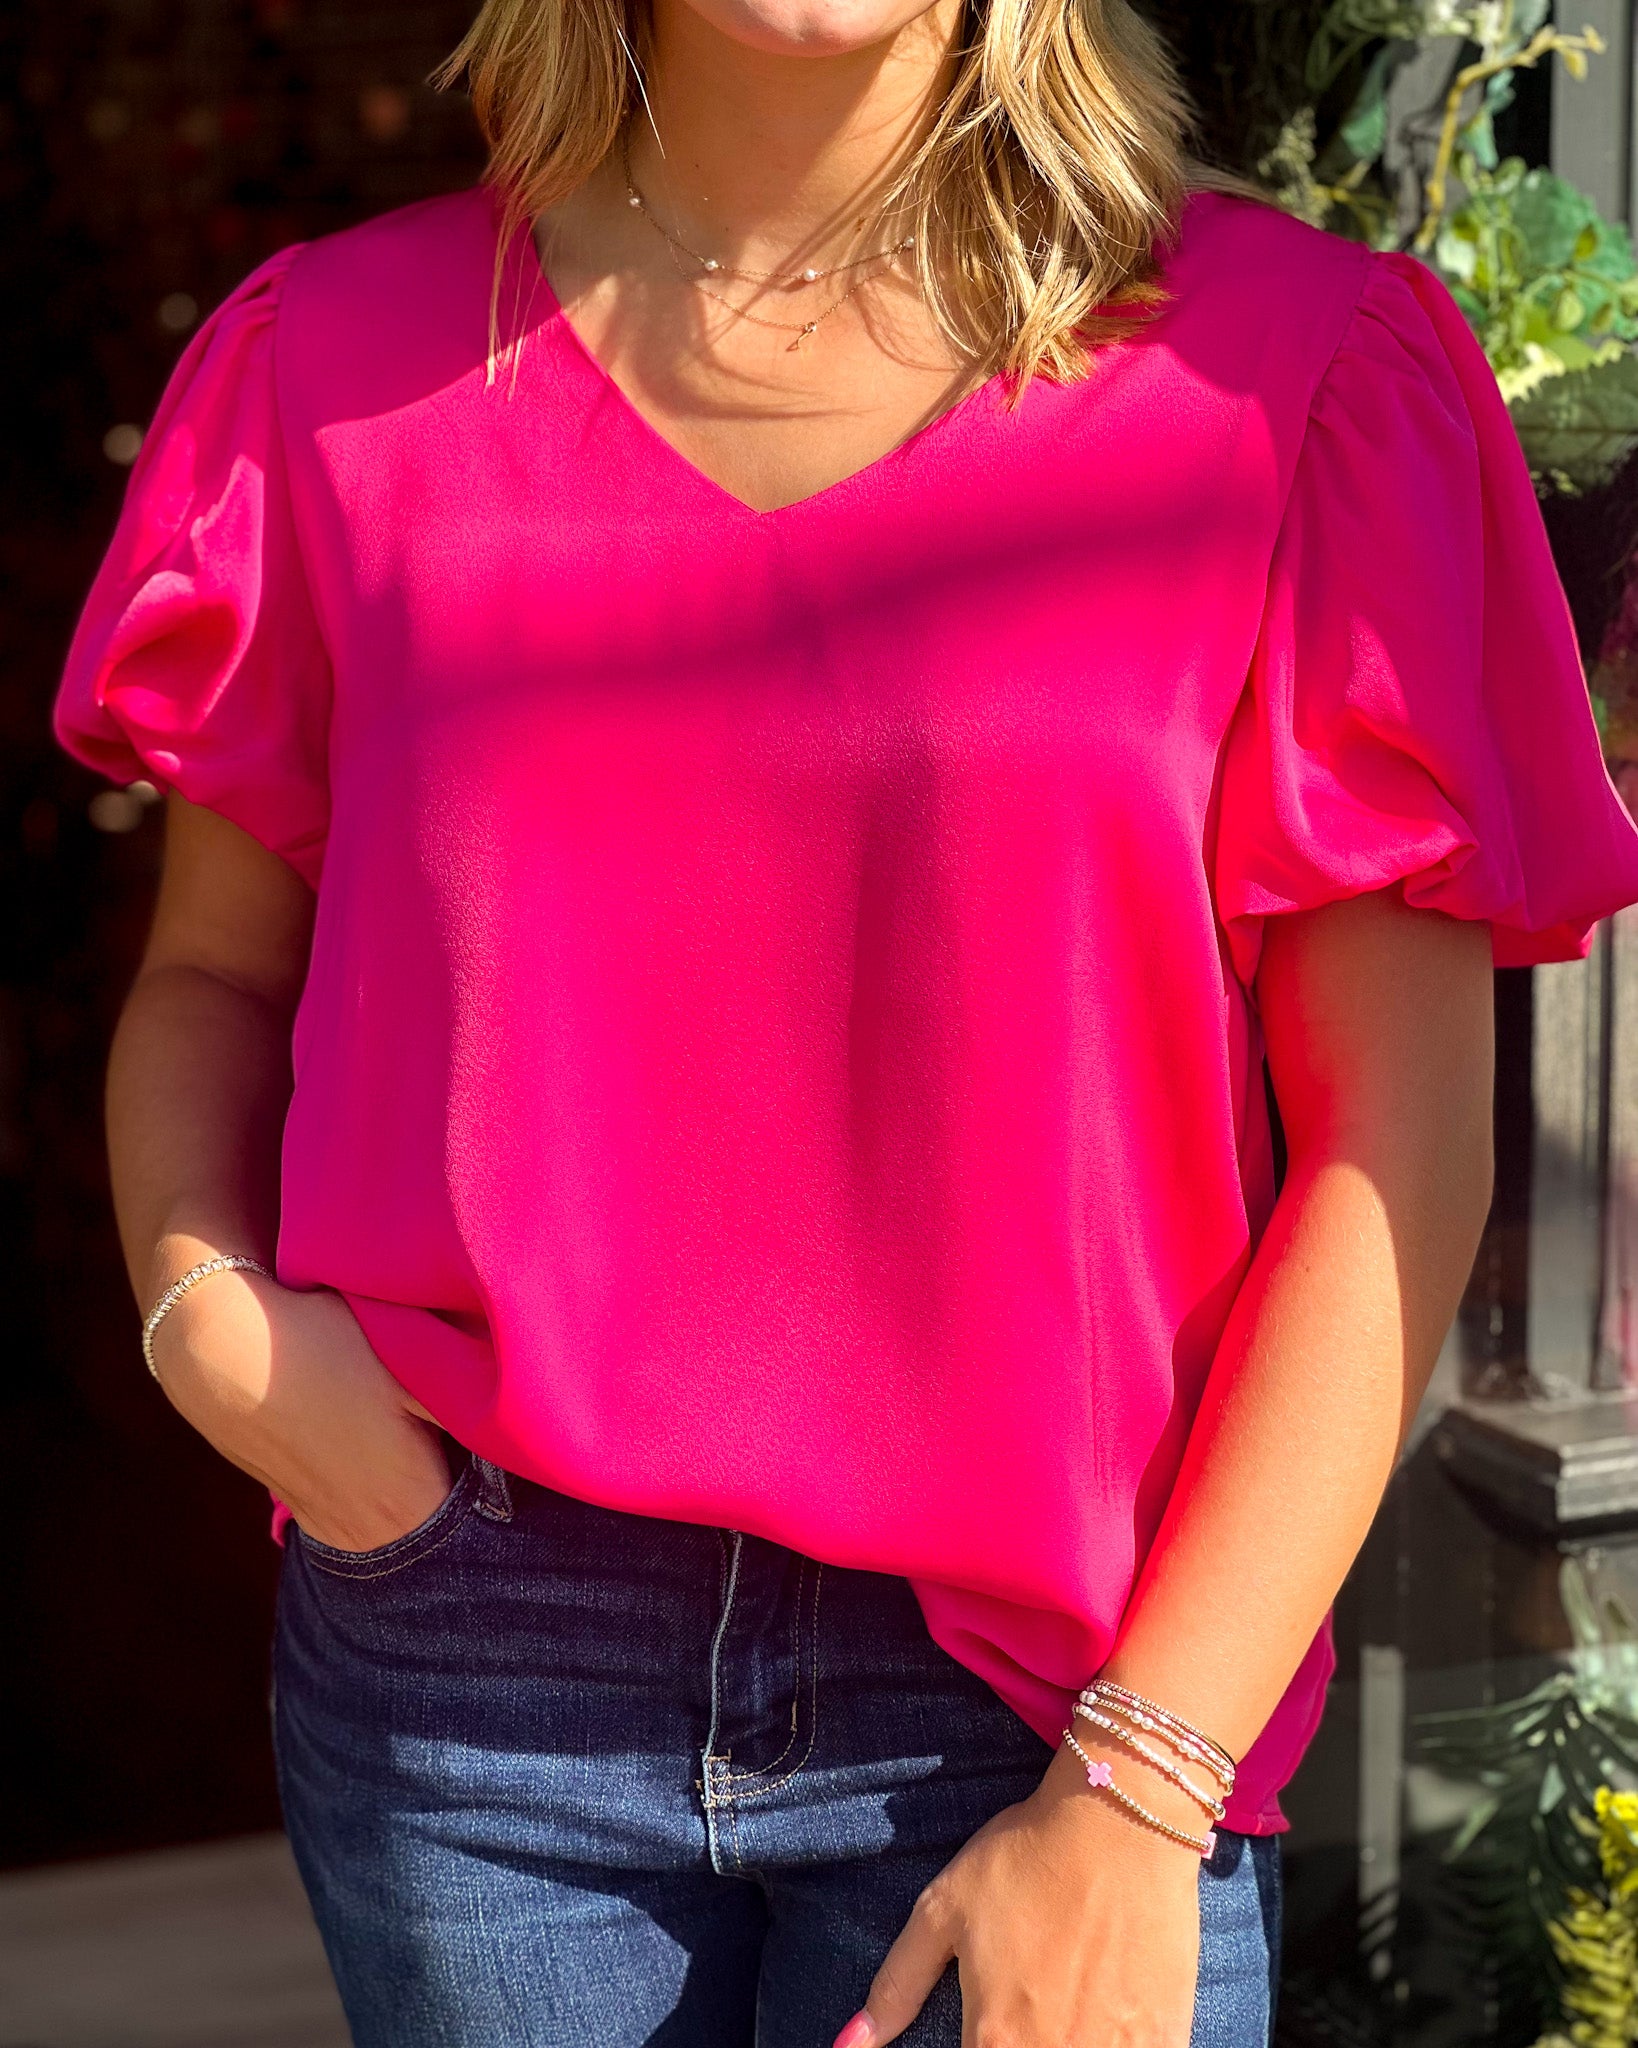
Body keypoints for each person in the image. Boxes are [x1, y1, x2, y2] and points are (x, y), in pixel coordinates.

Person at [51, 0, 1638, 2037]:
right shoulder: (333, 364)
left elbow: (1391, 1151)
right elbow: (213, 976)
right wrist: (213, 1327)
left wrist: (1146, 1777)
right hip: (476, 1659)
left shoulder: (1293, 376)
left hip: (1064, 1694)